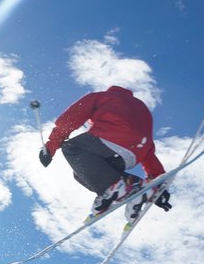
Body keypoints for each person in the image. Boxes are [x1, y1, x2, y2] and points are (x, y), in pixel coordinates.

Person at [38, 85, 170, 221]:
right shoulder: (143, 111)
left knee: (72, 148)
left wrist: (51, 147)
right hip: (131, 155)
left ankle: (113, 188)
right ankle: (133, 190)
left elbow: (73, 116)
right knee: (81, 173)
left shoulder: (102, 97)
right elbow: (146, 144)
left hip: (111, 139)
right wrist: (158, 184)